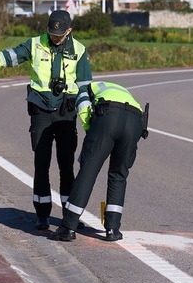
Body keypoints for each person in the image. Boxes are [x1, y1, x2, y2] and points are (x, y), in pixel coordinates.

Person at [0, 10, 93, 231]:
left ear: (69, 31)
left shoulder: (80, 51)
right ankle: (42, 215)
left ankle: (69, 216)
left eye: (59, 35)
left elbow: (85, 88)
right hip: (41, 111)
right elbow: (5, 57)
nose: (55, 38)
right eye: (52, 33)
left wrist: (89, 123)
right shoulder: (35, 44)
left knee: (66, 166)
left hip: (66, 112)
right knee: (41, 164)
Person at [50, 81, 148, 242]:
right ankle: (112, 229)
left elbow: (83, 109)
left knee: (88, 171)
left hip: (108, 116)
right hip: (135, 120)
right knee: (119, 175)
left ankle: (68, 227)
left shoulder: (85, 88)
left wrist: (90, 130)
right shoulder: (120, 89)